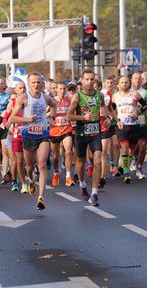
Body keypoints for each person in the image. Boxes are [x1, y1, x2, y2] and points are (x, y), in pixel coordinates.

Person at [67, 70, 117, 206]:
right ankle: (83, 185)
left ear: (95, 81)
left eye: (92, 79)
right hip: (81, 133)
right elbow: (69, 116)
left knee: (98, 161)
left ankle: (94, 194)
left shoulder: (99, 95)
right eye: (87, 79)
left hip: (95, 132)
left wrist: (107, 118)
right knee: (81, 162)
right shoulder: (77, 97)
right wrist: (83, 117)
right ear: (82, 81)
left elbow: (104, 107)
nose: (90, 82)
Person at [10, 72, 57, 210]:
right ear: (29, 84)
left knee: (41, 164)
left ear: (42, 84)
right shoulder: (23, 98)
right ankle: (30, 180)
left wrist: (52, 119)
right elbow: (12, 118)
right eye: (33, 82)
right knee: (29, 166)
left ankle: (41, 197)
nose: (36, 85)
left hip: (42, 133)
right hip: (28, 135)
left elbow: (54, 106)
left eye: (39, 82)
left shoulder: (45, 97)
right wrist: (27, 120)